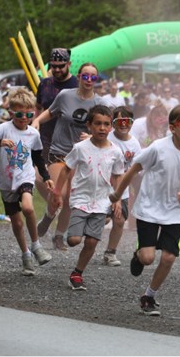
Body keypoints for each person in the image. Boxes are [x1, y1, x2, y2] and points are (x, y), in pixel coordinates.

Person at [108, 104, 180, 317]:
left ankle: (149, 296)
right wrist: (117, 194)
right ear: (173, 127)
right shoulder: (158, 148)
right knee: (147, 258)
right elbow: (134, 169)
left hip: (174, 212)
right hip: (149, 208)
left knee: (169, 257)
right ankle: (138, 255)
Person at [35, 62, 117, 248]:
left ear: (97, 80)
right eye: (85, 76)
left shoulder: (100, 103)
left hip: (84, 155)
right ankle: (48, 216)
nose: (88, 80)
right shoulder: (65, 96)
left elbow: (107, 127)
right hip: (60, 151)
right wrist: (37, 121)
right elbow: (50, 112)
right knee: (59, 192)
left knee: (70, 198)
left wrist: (92, 135)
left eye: (93, 77)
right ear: (78, 77)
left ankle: (59, 235)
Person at [0, 88, 53, 273]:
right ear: (11, 112)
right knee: (17, 223)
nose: (23, 118)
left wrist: (46, 177)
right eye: (18, 114)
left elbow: (37, 157)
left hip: (25, 177)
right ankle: (26, 255)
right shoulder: (4, 129)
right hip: (6, 182)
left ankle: (36, 246)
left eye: (29, 114)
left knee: (28, 208)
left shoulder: (33, 134)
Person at [53, 105, 126, 292]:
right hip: (80, 198)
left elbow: (118, 176)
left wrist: (116, 199)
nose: (102, 128)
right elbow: (66, 168)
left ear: (111, 127)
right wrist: (57, 192)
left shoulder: (116, 152)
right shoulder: (80, 148)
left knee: (92, 242)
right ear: (89, 126)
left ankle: (77, 274)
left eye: (106, 124)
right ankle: (75, 230)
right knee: (74, 240)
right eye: (98, 124)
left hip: (102, 201)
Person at [103, 105, 142, 266]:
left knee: (119, 221)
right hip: (103, 188)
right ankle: (88, 244)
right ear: (113, 123)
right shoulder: (106, 138)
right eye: (120, 121)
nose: (124, 124)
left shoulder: (134, 144)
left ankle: (110, 252)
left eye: (127, 121)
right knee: (102, 219)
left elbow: (135, 168)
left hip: (122, 189)